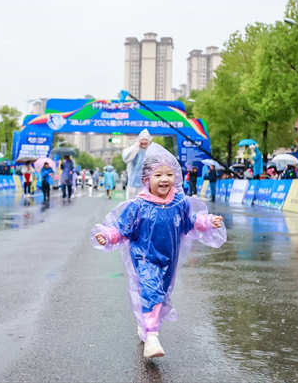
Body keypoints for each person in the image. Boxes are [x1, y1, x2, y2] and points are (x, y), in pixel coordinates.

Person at [91, 144, 226, 358]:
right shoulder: (138, 206)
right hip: (143, 256)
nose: (165, 179)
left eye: (170, 174)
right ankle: (152, 338)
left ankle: (146, 326)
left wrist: (209, 222)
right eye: (158, 174)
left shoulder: (179, 203)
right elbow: (121, 229)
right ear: (146, 179)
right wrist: (107, 235)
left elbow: (190, 223)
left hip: (168, 259)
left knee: (160, 294)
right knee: (151, 289)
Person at [122, 129, 152, 200]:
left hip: (145, 181)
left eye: (146, 140)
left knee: (143, 200)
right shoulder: (135, 149)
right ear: (139, 140)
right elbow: (126, 159)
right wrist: (135, 148)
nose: (144, 142)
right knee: (131, 199)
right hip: (133, 180)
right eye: (142, 140)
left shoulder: (151, 151)